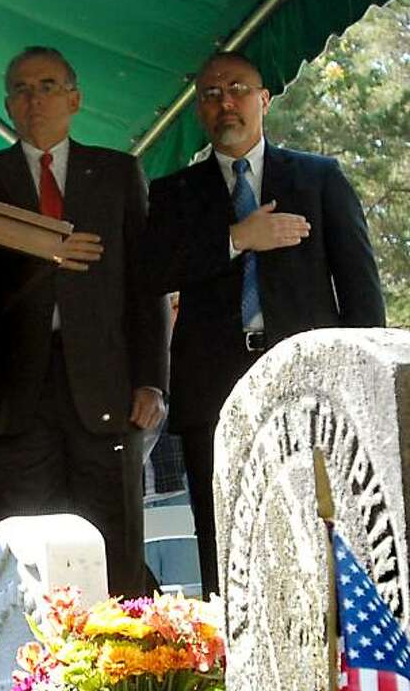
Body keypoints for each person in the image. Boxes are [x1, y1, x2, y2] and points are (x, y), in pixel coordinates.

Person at [143, 51, 385, 594]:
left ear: (264, 99)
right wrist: (235, 240)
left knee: (319, 528)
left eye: (237, 88)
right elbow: (150, 272)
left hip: (311, 391)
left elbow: (362, 295)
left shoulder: (320, 179)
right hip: (214, 394)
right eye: (210, 94)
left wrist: (357, 389)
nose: (224, 102)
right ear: (199, 111)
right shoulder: (174, 193)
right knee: (228, 543)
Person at [0, 46, 170, 596]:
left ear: (75, 98)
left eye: (47, 85)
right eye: (20, 89)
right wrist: (45, 256)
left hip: (107, 390)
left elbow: (145, 285)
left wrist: (152, 380)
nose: (33, 98)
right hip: (15, 396)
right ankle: (40, 676)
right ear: (7, 105)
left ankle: (124, 669)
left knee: (114, 545)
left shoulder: (117, 173)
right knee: (29, 552)